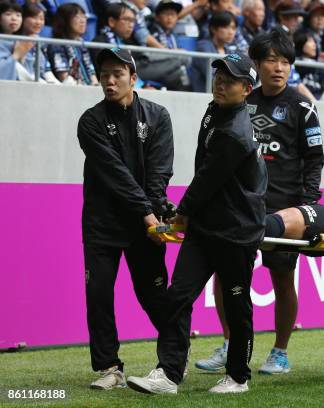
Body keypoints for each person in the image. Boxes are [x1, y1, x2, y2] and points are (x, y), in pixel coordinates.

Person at [126, 53, 265, 395]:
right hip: (206, 227)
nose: (220, 82)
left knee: (236, 305)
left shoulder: (235, 132)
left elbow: (207, 180)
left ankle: (237, 377)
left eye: (230, 80)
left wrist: (181, 214)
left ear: (246, 89)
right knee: (178, 297)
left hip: (236, 231)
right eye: (218, 75)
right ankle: (170, 373)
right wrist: (190, 215)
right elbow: (205, 172)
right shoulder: (214, 110)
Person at [196, 30, 324, 375]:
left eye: (285, 61)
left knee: (282, 278)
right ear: (256, 64)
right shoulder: (239, 100)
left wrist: (307, 206)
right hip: (238, 207)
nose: (278, 68)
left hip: (284, 210)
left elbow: (315, 160)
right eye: (271, 60)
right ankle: (228, 344)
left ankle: (280, 352)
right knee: (226, 275)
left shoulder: (302, 106)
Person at [77, 48, 174, 390]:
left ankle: (174, 359)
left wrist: (157, 212)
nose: (110, 81)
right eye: (104, 75)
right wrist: (149, 213)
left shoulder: (158, 115)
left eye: (117, 74)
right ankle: (109, 368)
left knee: (153, 296)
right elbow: (115, 174)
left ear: (133, 78)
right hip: (102, 224)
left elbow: (160, 173)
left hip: (144, 227)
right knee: (99, 295)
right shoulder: (90, 121)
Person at [47, 3, 98, 85]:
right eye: (77, 17)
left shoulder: (82, 44)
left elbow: (92, 74)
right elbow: (64, 77)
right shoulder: (57, 45)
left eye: (84, 16)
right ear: (64, 20)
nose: (82, 21)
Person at [191, 11, 239, 92]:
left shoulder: (229, 50)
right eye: (226, 27)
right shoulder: (203, 47)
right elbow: (214, 77)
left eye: (233, 28)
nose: (231, 32)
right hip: (204, 95)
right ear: (213, 29)